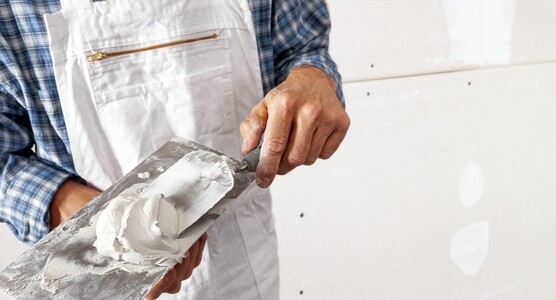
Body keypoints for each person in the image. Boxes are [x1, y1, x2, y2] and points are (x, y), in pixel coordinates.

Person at [0, 0, 350, 299]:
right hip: (97, 270)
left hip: (241, 268)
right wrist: (88, 217)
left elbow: (303, 48)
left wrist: (312, 78)